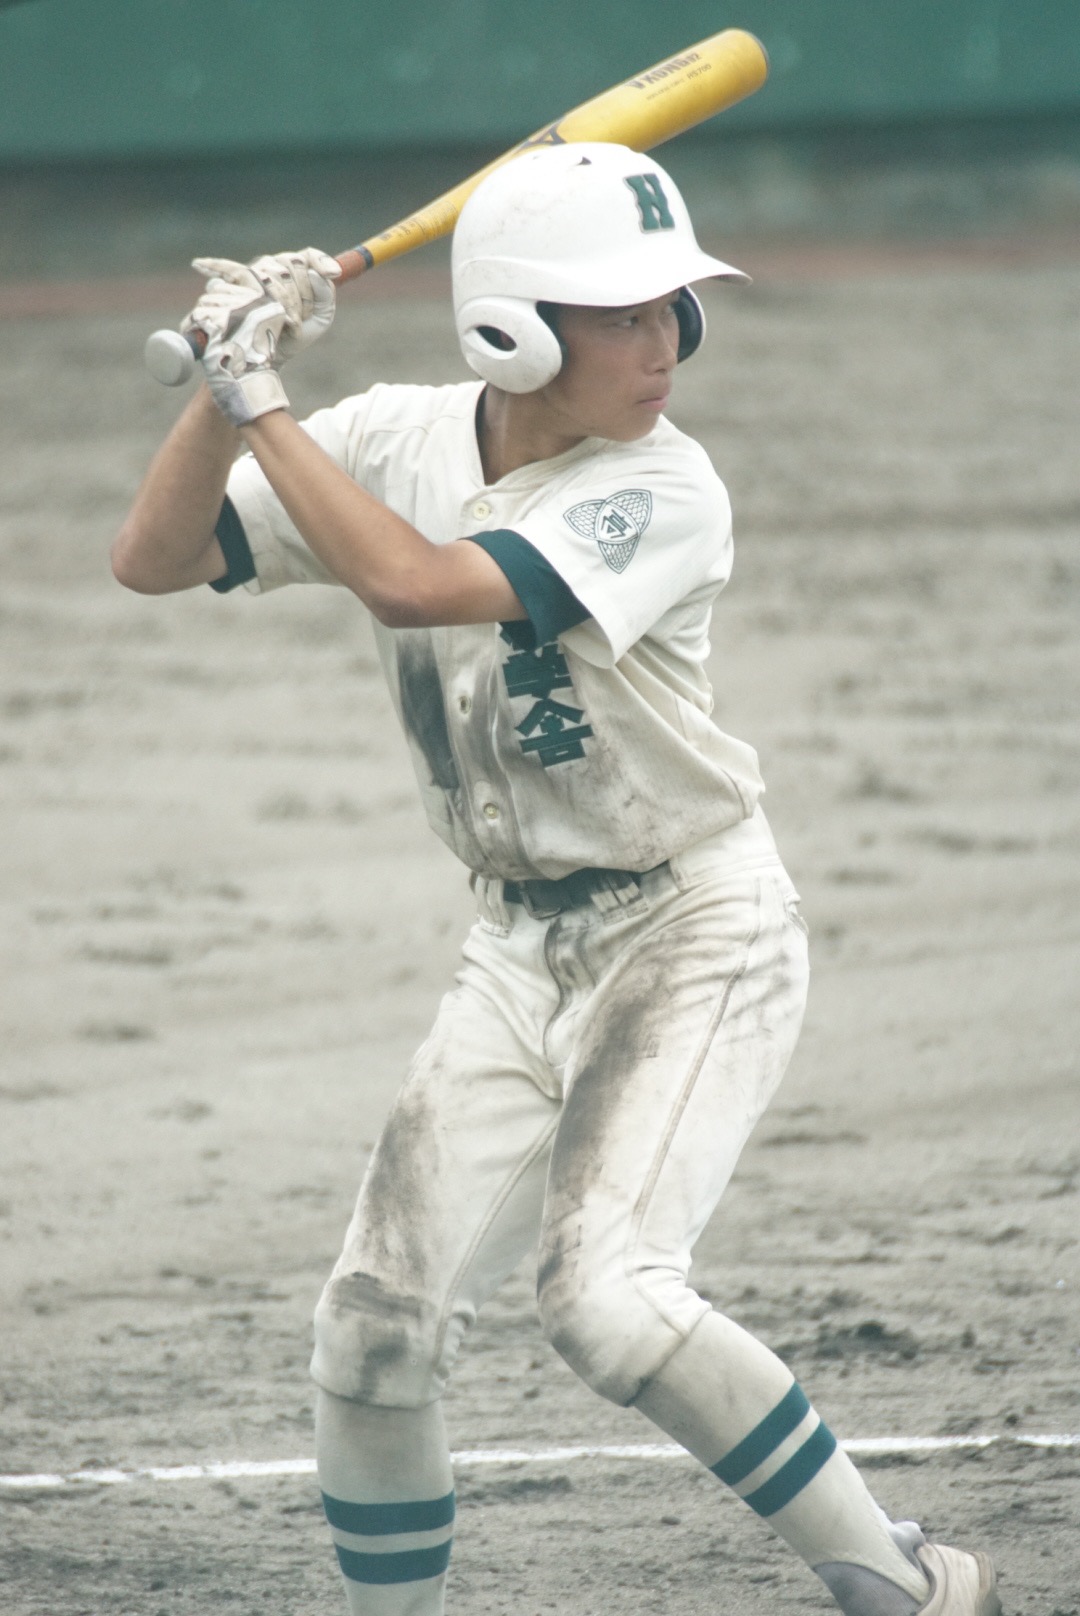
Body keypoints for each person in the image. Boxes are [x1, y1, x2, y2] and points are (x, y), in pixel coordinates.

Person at [113, 142, 999, 1616]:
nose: (667, 346)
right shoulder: (392, 436)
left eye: (673, 309)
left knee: (607, 1297)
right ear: (513, 330)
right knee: (373, 1330)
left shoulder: (663, 485)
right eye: (623, 315)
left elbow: (413, 582)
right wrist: (221, 385)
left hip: (692, 930)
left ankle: (909, 1586)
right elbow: (155, 557)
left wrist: (262, 397)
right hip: (515, 955)